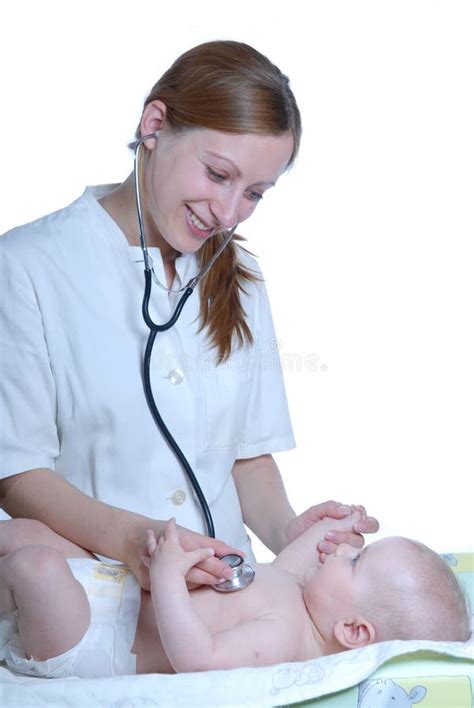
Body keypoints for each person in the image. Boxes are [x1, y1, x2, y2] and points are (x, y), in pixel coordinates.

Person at [0, 40, 378, 587]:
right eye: (218, 175)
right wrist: (138, 543)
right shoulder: (27, 267)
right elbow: (17, 474)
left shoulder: (239, 274)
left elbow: (245, 461)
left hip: (226, 600)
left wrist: (293, 534)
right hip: (91, 602)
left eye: (254, 193)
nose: (228, 213)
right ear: (154, 125)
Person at [0, 510, 469, 678]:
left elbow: (199, 660)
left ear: (351, 630)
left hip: (96, 638)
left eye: (355, 561)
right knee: (24, 531)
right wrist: (333, 526)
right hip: (110, 587)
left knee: (32, 567)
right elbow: (287, 563)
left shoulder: (286, 640)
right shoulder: (297, 594)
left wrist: (166, 576)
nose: (342, 552)